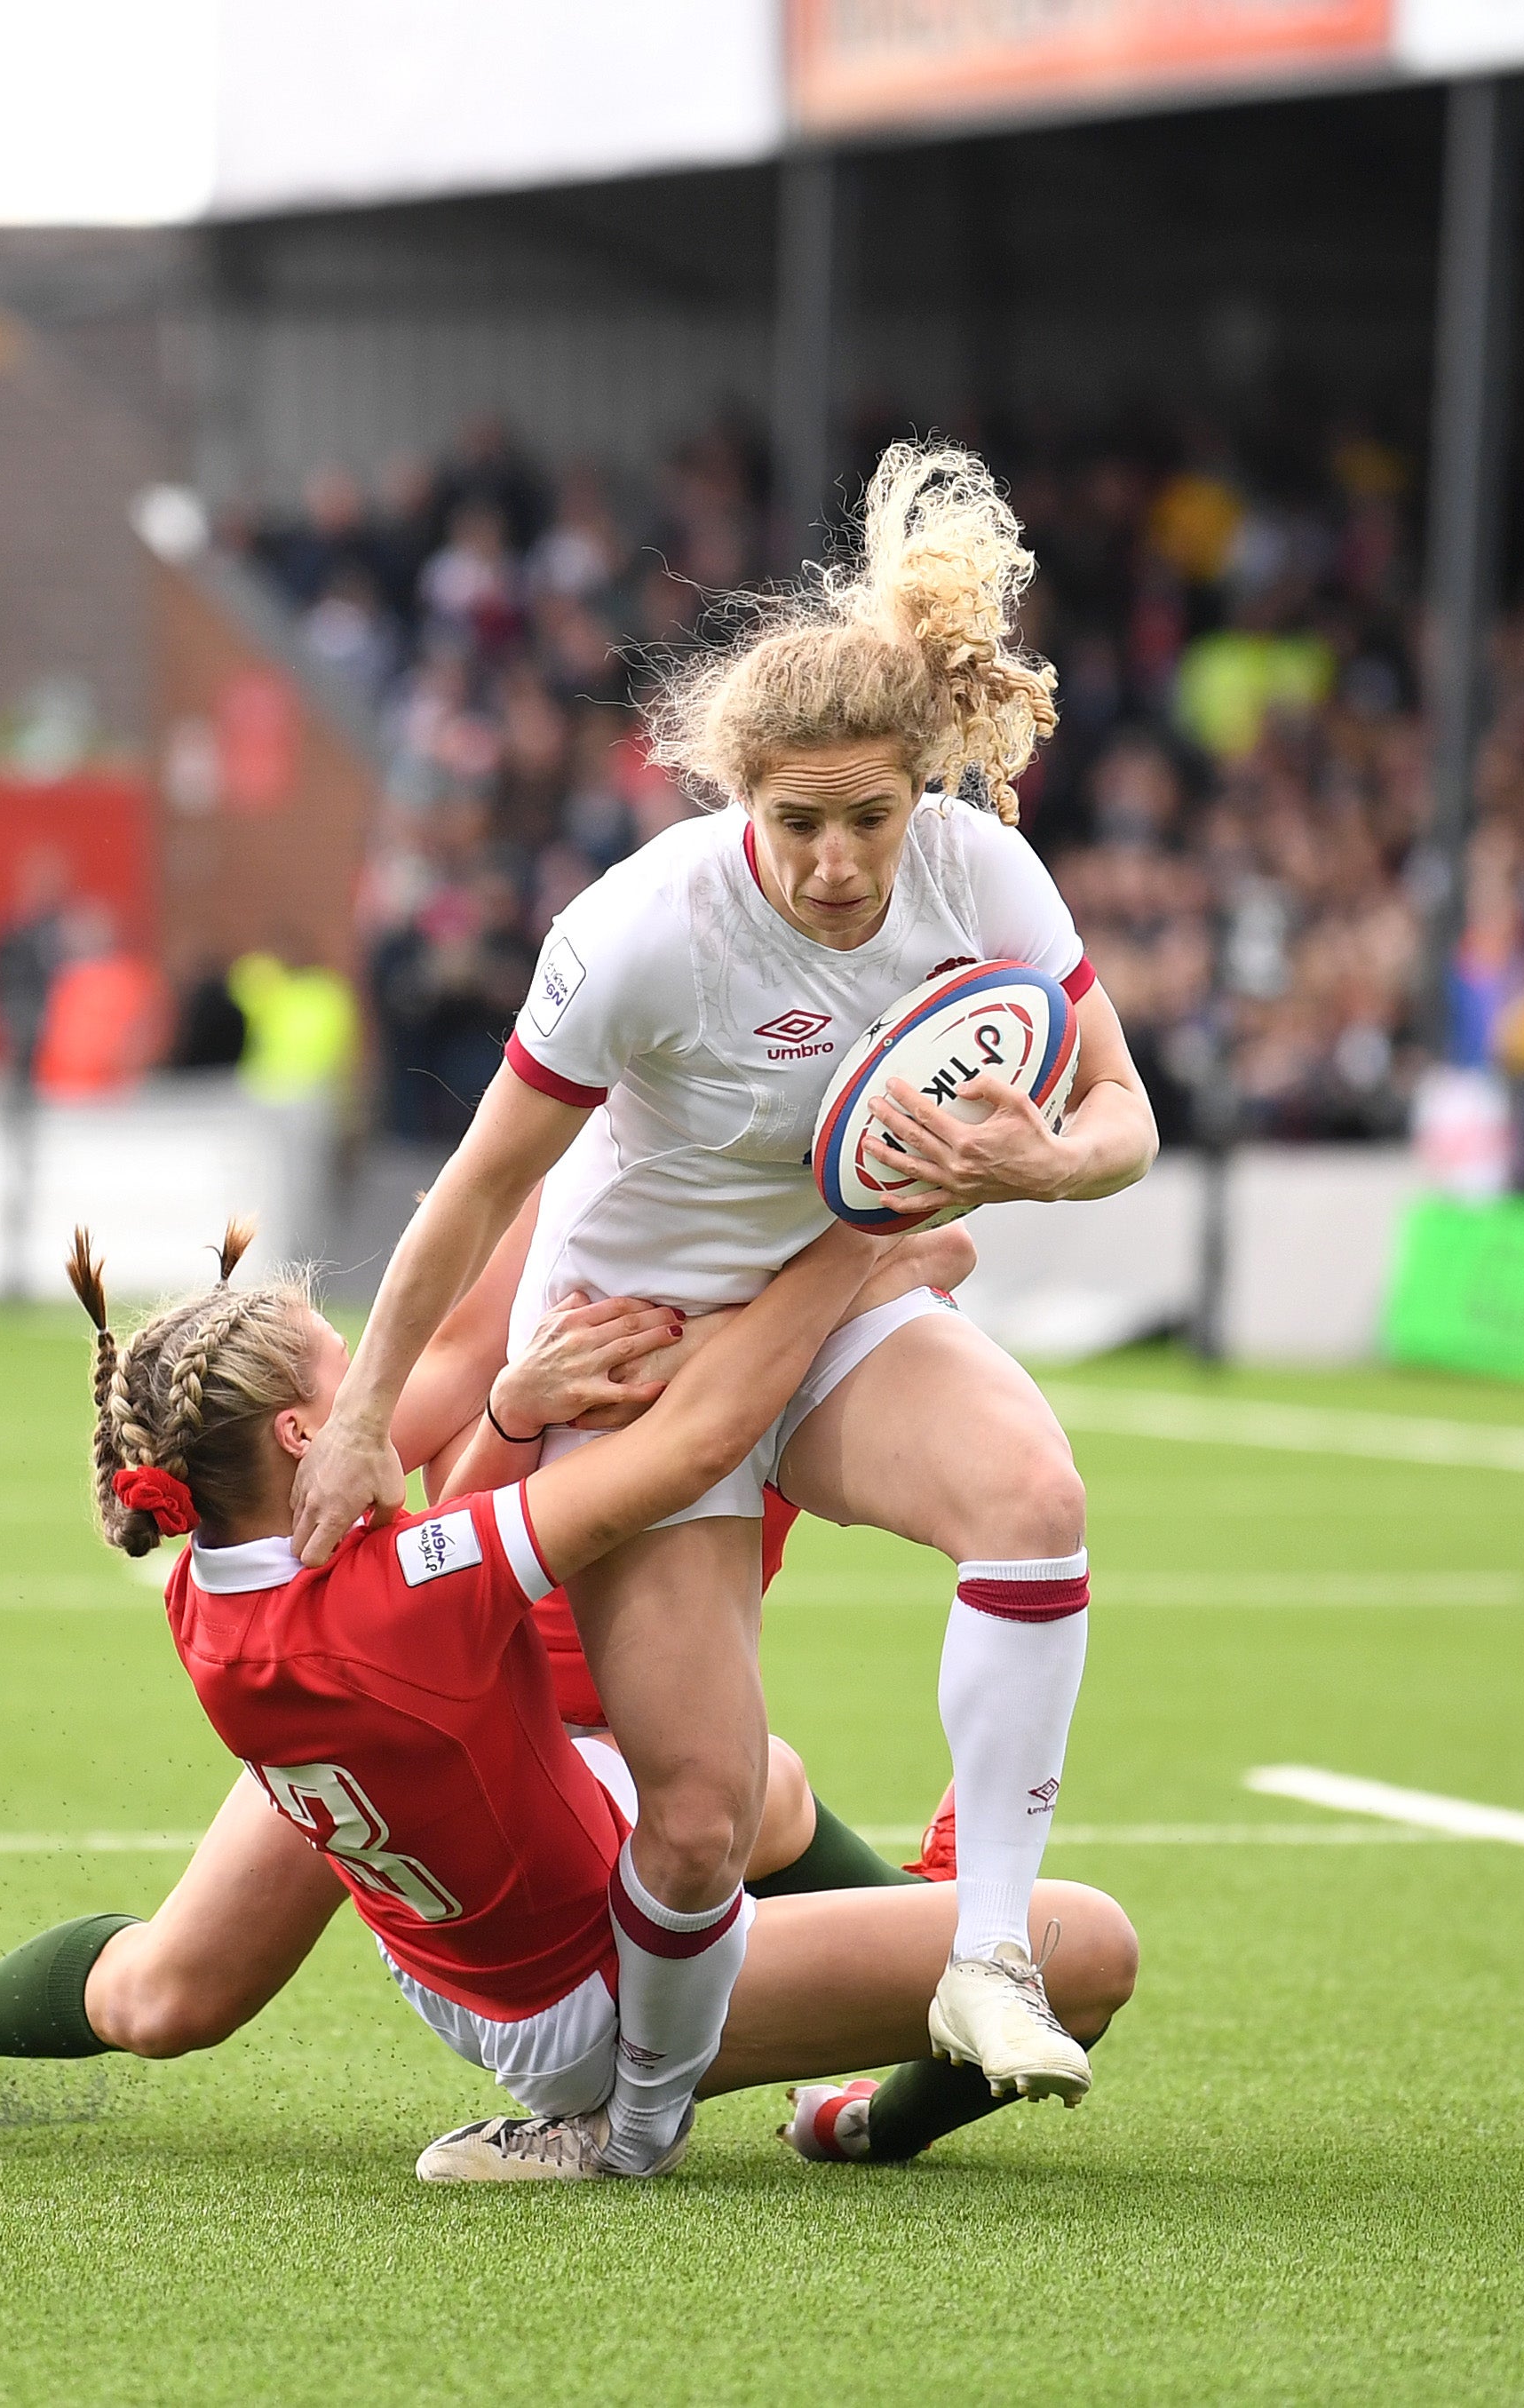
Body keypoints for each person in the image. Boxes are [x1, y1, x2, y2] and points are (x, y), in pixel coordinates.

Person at [286, 441, 1158, 2170]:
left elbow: (1121, 1112)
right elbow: (469, 1193)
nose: (839, 863)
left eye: (871, 820)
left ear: (924, 789)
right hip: (645, 1348)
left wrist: (1039, 1166)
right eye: (799, 824)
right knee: (692, 1823)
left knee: (1034, 1497)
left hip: (831, 1309)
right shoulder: (640, 936)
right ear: (733, 798)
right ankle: (624, 2124)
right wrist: (371, 1421)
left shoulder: (986, 883)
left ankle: (985, 1947)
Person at [0, 1223, 1137, 2178]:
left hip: (433, 1892)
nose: (379, 1383)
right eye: (351, 1371)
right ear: (301, 1436)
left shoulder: (217, 1582)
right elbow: (697, 1439)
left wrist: (520, 1410)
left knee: (170, 1990)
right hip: (571, 1996)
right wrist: (854, 1255)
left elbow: (438, 1566)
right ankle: (834, 2122)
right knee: (1086, 1951)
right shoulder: (390, 1590)